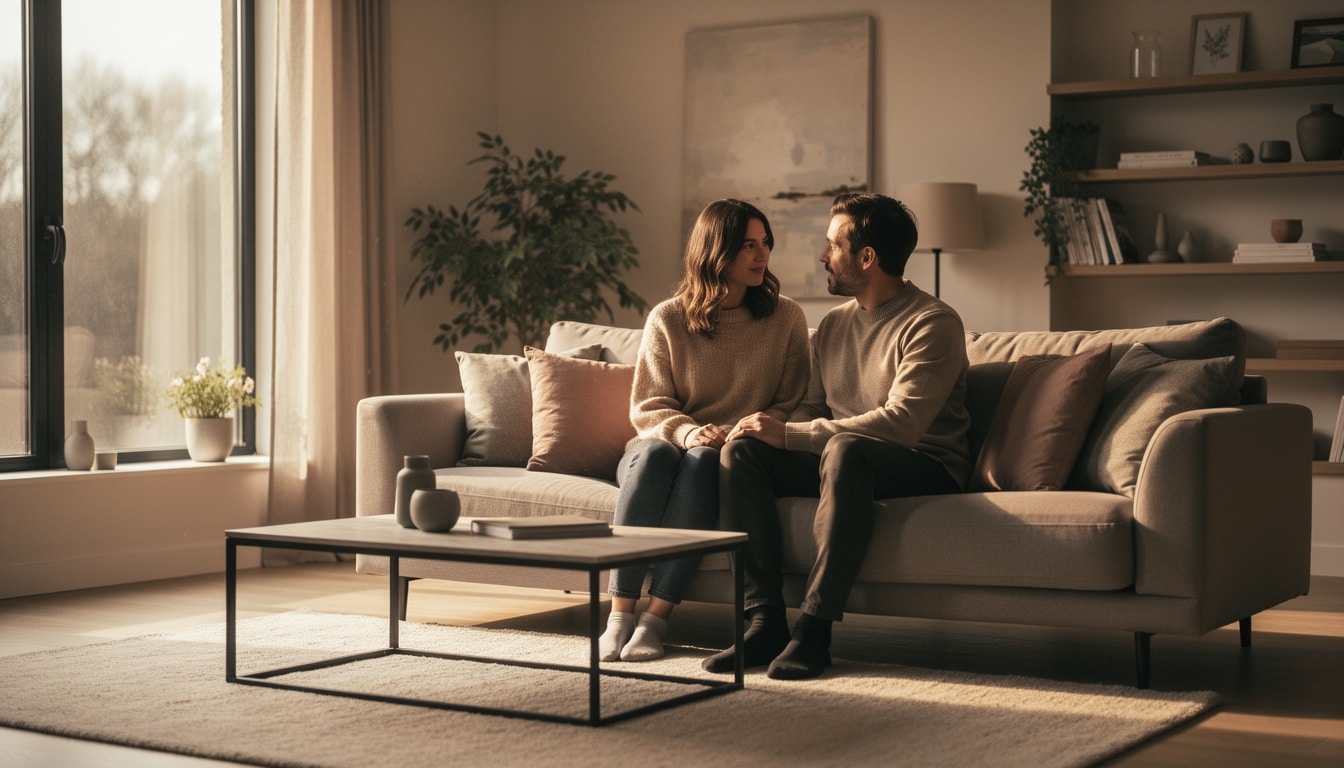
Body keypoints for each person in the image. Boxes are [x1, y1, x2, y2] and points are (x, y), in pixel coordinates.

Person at [702, 192, 972, 680]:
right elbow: (811, 407)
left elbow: (900, 424)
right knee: (743, 452)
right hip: (843, 458)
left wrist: (791, 434)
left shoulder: (933, 323)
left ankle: (815, 630)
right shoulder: (832, 324)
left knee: (845, 449)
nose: (822, 256)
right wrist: (765, 430)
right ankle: (762, 621)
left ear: (866, 257)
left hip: (924, 462)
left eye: (832, 245)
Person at [599, 198, 810, 663]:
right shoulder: (668, 317)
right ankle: (619, 616)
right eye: (748, 245)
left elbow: (792, 402)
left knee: (705, 462)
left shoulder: (787, 318)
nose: (761, 255)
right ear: (716, 251)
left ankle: (655, 620)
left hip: (725, 452)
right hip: (660, 445)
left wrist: (736, 432)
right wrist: (689, 432)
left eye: (765, 244)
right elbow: (648, 405)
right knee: (659, 455)